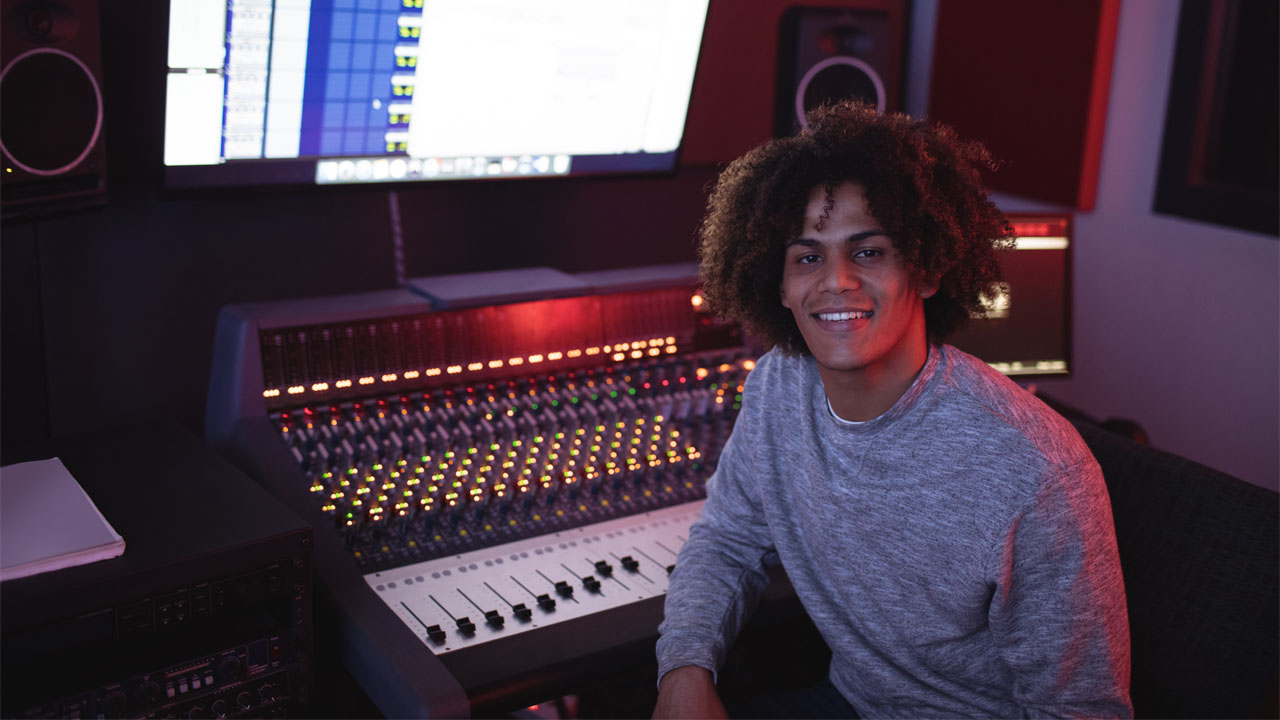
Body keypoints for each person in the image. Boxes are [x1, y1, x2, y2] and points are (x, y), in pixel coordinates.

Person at [652, 102, 1132, 719]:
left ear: (927, 268)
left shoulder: (1038, 471)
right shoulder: (778, 385)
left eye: (869, 252)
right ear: (779, 286)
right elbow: (727, 540)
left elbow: (1081, 711)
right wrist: (684, 670)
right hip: (848, 703)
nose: (837, 282)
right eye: (807, 257)